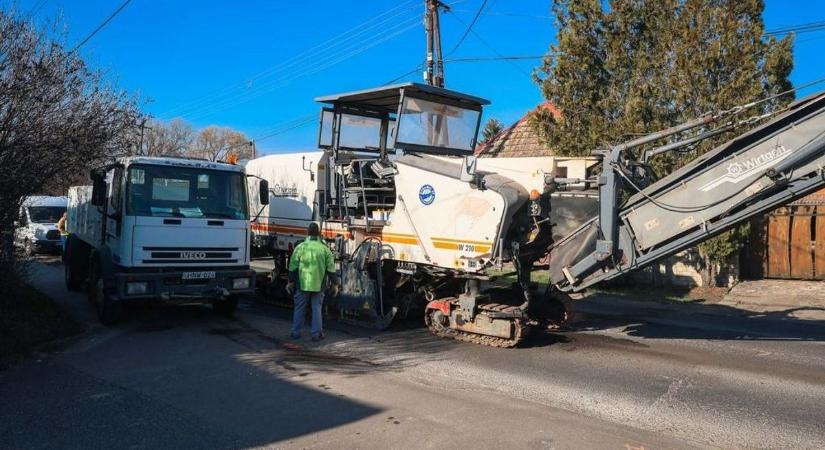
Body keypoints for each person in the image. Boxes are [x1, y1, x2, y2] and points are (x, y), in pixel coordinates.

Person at [286, 222, 340, 341]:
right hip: (318, 285)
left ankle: (296, 332)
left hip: (302, 284)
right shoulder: (325, 249)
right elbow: (331, 269)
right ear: (319, 234)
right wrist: (335, 284)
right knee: (317, 309)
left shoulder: (300, 247)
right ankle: (316, 334)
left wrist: (290, 281)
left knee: (300, 307)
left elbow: (293, 267)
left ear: (307, 232)